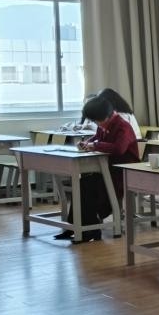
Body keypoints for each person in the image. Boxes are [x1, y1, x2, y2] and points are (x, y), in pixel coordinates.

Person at [56, 96, 140, 242]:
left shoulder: (123, 126)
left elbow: (119, 148)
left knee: (89, 188)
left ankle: (89, 230)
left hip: (122, 173)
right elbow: (96, 138)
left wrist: (95, 145)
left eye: (97, 120)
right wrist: (86, 143)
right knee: (82, 184)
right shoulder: (104, 125)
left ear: (107, 115)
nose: (96, 123)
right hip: (106, 170)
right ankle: (76, 227)